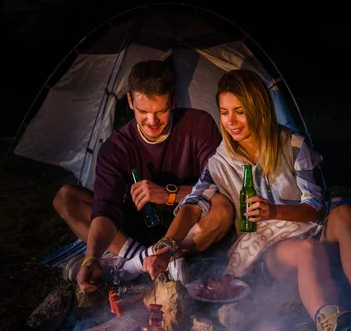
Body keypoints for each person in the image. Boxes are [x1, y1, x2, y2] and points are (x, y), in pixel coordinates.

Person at [141, 69, 351, 331]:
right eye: (225, 112)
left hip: (308, 226)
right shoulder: (220, 160)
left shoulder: (292, 146)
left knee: (346, 212)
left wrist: (274, 211)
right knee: (308, 250)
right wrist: (167, 245)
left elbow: (317, 207)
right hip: (272, 251)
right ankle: (335, 330)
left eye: (240, 112)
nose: (232, 121)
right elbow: (193, 205)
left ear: (259, 109)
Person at [52, 60, 234, 294]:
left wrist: (167, 194)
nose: (152, 121)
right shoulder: (116, 147)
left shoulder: (198, 125)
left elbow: (217, 186)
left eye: (161, 111)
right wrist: (91, 257)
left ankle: (141, 263)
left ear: (173, 101)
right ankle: (144, 260)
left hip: (188, 227)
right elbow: (106, 209)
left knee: (223, 207)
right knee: (66, 197)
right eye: (143, 111)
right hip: (136, 232)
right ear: (130, 101)